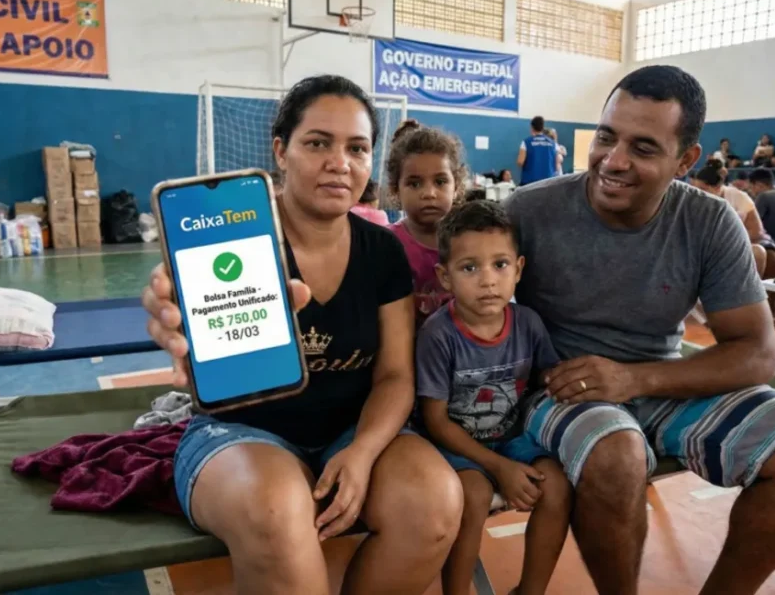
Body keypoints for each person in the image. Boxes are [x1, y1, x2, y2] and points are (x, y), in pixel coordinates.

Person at [143, 75, 463, 595]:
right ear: (281, 152)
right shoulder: (235, 236)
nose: (340, 163)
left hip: (352, 428)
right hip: (240, 432)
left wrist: (362, 452)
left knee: (436, 503)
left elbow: (395, 376)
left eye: (357, 148)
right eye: (318, 143)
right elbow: (177, 305)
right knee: (277, 511)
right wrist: (172, 312)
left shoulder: (383, 251)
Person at [507, 64, 775, 595]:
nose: (613, 161)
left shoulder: (710, 222)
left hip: (663, 383)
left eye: (643, 148)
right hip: (564, 388)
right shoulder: (529, 211)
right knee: (616, 454)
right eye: (606, 137)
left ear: (686, 160)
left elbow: (757, 353)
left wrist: (633, 379)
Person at [417, 201, 572, 595]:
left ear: (518, 269)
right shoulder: (438, 335)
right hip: (457, 446)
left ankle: (530, 590)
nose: (488, 280)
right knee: (473, 496)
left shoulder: (528, 323)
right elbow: (435, 421)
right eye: (470, 268)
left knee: (556, 486)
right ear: (445, 276)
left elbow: (547, 377)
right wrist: (500, 467)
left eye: (500, 265)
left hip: (514, 437)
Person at [387, 119, 467, 325]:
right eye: (415, 184)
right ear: (396, 189)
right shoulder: (386, 244)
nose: (429, 193)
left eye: (440, 182)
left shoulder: (470, 242)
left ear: (456, 186)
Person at [690, 161, 771, 278]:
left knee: (758, 252)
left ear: (717, 188)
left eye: (702, 189)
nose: (698, 193)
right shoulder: (695, 202)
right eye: (695, 189)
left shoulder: (739, 197)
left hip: (738, 246)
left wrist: (729, 242)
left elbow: (757, 233)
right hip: (708, 251)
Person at [516, 116, 557, 186]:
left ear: (532, 127)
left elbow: (520, 162)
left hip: (530, 181)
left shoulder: (526, 142)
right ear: (542, 127)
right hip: (548, 181)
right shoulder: (553, 143)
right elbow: (556, 163)